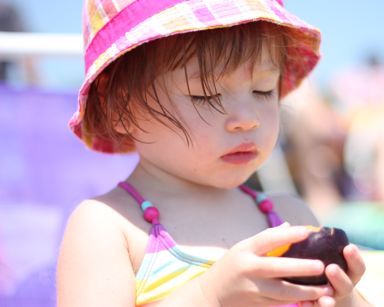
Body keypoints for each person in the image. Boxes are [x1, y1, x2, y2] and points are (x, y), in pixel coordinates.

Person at [57, 1, 368, 306]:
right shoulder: (109, 226)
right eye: (205, 95)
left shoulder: (289, 217)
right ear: (121, 109)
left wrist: (345, 299)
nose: (249, 119)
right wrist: (210, 295)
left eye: (262, 90)